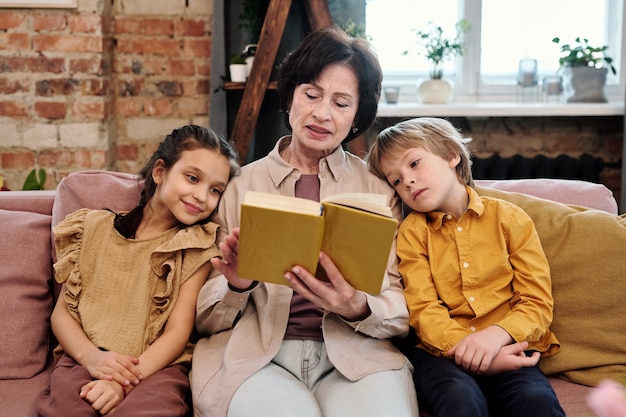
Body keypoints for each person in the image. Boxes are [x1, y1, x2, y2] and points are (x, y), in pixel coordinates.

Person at [191, 26, 418, 417]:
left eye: (342, 103)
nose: (322, 113)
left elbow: (403, 307)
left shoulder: (381, 192)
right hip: (259, 357)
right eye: (311, 94)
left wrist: (358, 306)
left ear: (357, 116)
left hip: (358, 358)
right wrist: (236, 284)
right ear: (291, 96)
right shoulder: (238, 186)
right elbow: (204, 318)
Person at [35, 125, 240, 417]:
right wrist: (92, 358)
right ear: (160, 172)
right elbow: (63, 314)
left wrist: (124, 382)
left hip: (155, 367)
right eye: (192, 178)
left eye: (215, 190)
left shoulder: (197, 246)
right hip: (85, 359)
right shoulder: (92, 230)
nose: (201, 196)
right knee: (67, 408)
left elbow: (178, 332)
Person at [366, 117, 566, 417]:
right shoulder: (411, 233)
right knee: (459, 399)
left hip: (508, 347)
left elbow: (536, 302)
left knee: (535, 401)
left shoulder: (510, 219)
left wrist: (496, 338)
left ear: (451, 154)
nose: (406, 180)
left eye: (415, 163)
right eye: (396, 180)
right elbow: (423, 309)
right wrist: (474, 353)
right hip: (440, 355)